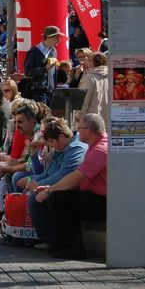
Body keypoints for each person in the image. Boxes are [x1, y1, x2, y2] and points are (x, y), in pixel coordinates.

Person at [31, 113, 107, 259]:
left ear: (89, 130)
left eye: (80, 128)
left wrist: (48, 190)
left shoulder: (99, 150)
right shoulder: (97, 145)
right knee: (58, 197)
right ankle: (62, 242)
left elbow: (75, 178)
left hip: (104, 201)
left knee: (57, 199)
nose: (77, 131)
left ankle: (74, 247)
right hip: (95, 196)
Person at [24, 118, 87, 248]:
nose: (51, 146)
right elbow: (49, 172)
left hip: (72, 187)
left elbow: (63, 175)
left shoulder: (76, 149)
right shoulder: (61, 148)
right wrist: (35, 181)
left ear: (62, 137)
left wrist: (39, 185)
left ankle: (50, 239)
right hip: (60, 183)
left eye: (52, 141)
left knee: (36, 198)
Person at [23, 25, 66, 104]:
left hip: (51, 92)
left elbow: (53, 72)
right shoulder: (34, 51)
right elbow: (28, 72)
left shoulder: (54, 51)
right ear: (49, 37)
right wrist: (45, 68)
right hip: (38, 93)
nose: (59, 40)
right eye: (57, 37)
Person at [77, 51, 109, 127]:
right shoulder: (110, 76)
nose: (87, 62)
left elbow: (83, 99)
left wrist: (78, 115)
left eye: (89, 60)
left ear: (94, 62)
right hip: (106, 118)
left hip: (90, 120)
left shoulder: (89, 77)